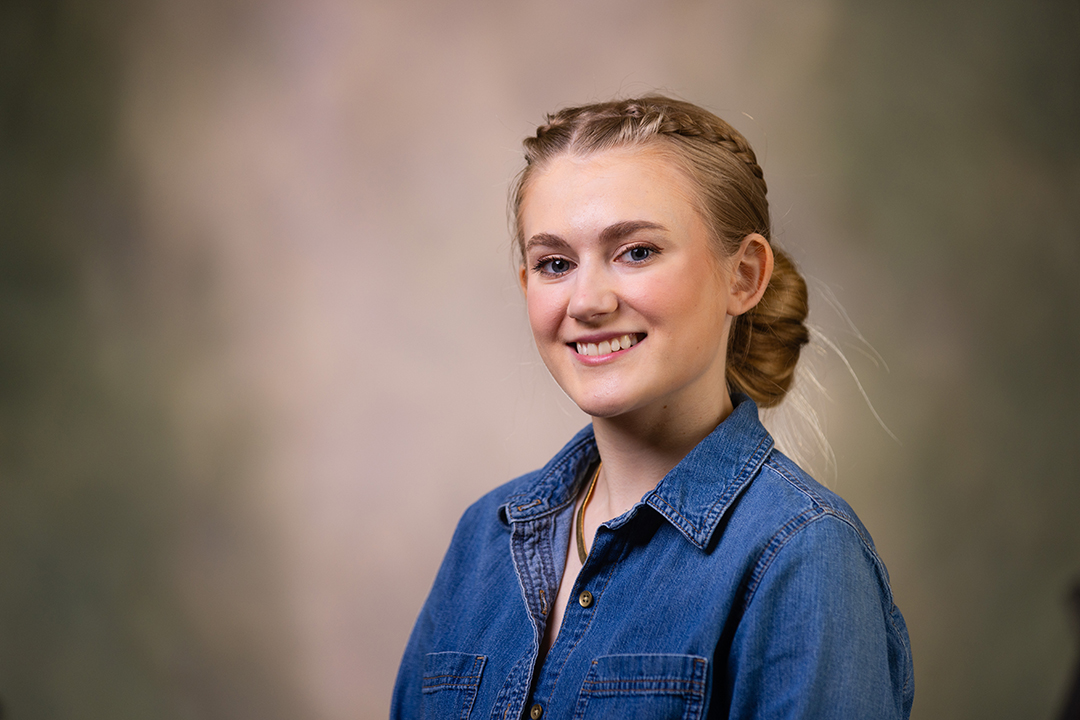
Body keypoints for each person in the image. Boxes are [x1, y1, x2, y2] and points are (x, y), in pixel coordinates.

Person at [391, 96, 914, 719]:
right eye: (555, 263)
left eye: (636, 251)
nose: (586, 301)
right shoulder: (484, 539)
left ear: (743, 276)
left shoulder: (803, 555)